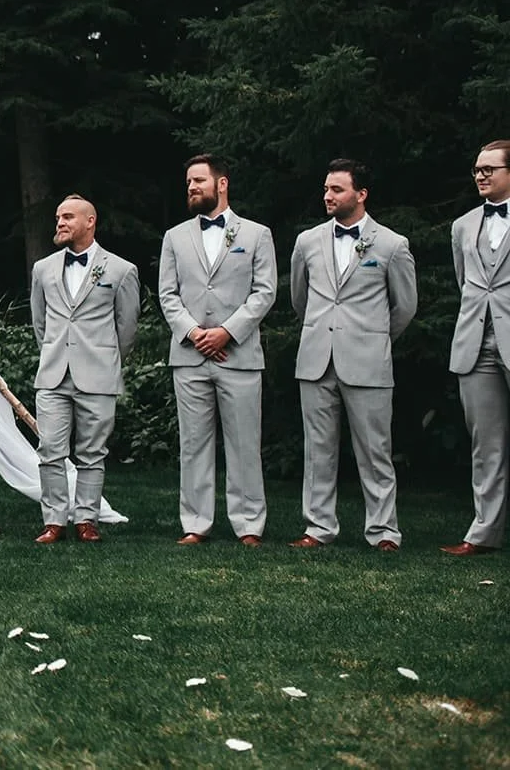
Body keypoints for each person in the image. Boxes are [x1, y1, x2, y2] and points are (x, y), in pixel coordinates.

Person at [288, 159, 416, 552]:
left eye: (337, 190)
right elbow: (299, 298)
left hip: (367, 361)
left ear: (360, 194)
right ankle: (318, 528)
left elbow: (405, 307)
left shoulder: (392, 245)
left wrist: (371, 337)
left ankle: (383, 532)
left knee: (376, 451)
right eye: (326, 189)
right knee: (318, 451)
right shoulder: (307, 241)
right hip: (316, 359)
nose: (328, 196)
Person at [157, 154, 277, 546]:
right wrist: (195, 333)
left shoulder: (256, 234)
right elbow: (167, 294)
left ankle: (248, 526)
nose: (191, 188)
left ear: (221, 184)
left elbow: (264, 292)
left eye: (198, 181)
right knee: (193, 444)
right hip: (189, 358)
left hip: (239, 356)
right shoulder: (174, 237)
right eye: (188, 182)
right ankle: (195, 523)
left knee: (244, 444)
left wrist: (227, 331)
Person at [28, 194, 140, 544]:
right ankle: (54, 521)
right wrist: (55, 352)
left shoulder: (121, 270)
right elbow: (39, 322)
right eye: (59, 217)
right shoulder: (43, 268)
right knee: (50, 450)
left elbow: (127, 327)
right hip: (53, 374)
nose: (60, 223)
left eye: (68, 217)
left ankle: (87, 520)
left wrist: (106, 358)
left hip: (99, 374)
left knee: (93, 453)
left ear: (90, 221)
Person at [443, 138, 510, 556]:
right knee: (486, 444)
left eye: (490, 169)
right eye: (477, 170)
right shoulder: (463, 225)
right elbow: (465, 281)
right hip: (475, 344)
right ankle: (483, 534)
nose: (481, 175)